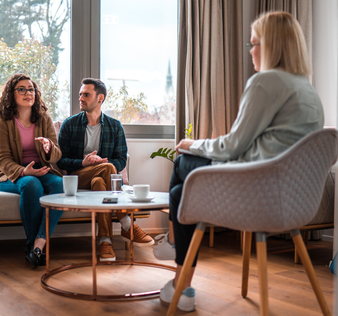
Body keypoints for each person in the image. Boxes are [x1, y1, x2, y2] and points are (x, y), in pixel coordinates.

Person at [158, 11, 324, 312]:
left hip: (255, 192)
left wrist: (193, 143)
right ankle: (182, 281)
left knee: (182, 163)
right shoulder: (308, 90)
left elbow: (233, 146)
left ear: (272, 45)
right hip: (293, 200)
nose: (250, 52)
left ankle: (176, 257)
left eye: (254, 44)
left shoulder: (265, 82)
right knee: (180, 195)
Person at [57, 78, 154, 262]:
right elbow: (61, 161)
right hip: (79, 176)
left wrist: (101, 165)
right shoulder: (70, 125)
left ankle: (105, 241)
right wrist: (84, 163)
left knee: (99, 181)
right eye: (80, 94)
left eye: (86, 94)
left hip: (100, 180)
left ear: (100, 98)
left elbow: (121, 159)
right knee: (107, 168)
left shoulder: (114, 126)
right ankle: (126, 223)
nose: (81, 98)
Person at [0, 73, 64, 268]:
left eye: (31, 89)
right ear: (11, 94)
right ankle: (33, 246)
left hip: (42, 171)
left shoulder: (44, 119)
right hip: (14, 175)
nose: (27, 93)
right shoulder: (4, 121)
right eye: (21, 89)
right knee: (32, 185)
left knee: (59, 184)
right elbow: (3, 159)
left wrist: (49, 148)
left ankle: (39, 243)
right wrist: (25, 172)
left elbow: (57, 155)